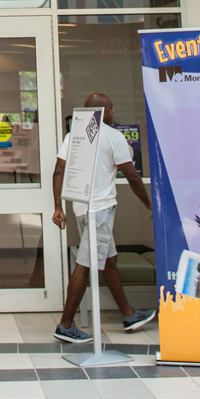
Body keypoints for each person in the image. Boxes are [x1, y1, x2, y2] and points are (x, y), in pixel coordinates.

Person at [51, 93, 156, 343]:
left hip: (81, 208)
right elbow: (131, 176)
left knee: (109, 261)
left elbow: (58, 170)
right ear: (104, 112)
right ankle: (65, 324)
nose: (113, 111)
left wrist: (58, 206)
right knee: (84, 265)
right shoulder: (114, 137)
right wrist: (149, 204)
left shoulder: (73, 136)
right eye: (111, 107)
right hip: (100, 211)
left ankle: (128, 314)